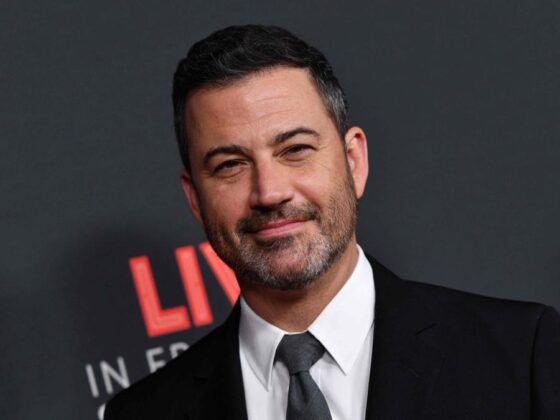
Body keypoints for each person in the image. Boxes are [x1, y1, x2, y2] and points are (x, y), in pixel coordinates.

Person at [104, 25, 560, 420]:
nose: (269, 192)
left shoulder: (523, 355)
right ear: (194, 199)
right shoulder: (142, 413)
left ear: (354, 161)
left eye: (295, 150)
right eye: (230, 165)